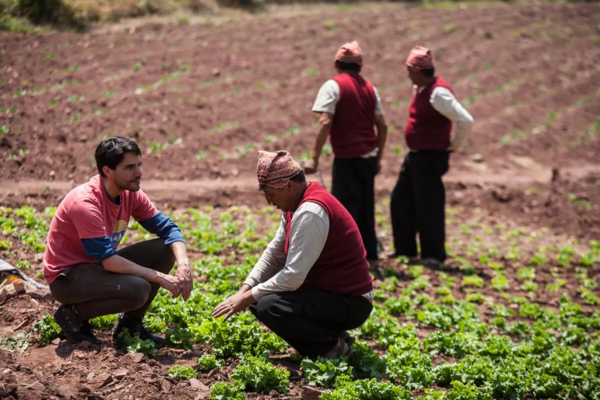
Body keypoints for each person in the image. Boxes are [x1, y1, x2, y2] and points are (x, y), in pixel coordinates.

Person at [212, 150, 374, 359]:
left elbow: (293, 276)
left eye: (270, 193)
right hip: (330, 294)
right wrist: (244, 291)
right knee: (256, 298)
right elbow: (274, 253)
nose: (269, 201)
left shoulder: (310, 212)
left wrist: (246, 297)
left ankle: (332, 349)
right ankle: (332, 336)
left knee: (270, 306)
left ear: (289, 186)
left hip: (351, 302)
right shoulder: (294, 206)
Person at [43, 137, 193, 345]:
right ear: (107, 171)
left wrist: (183, 264)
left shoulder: (131, 194)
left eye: (139, 165)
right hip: (68, 278)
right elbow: (109, 261)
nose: (139, 172)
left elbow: (169, 229)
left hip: (97, 267)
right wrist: (159, 277)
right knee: (139, 289)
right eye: (130, 167)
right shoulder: (85, 203)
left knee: (165, 249)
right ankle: (73, 314)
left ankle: (130, 326)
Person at [304, 40, 388, 265]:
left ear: (336, 64)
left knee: (343, 210)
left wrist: (314, 157)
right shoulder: (371, 88)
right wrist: (378, 157)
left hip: (347, 158)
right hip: (369, 157)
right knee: (366, 207)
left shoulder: (333, 86)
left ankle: (345, 259)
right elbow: (383, 125)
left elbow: (325, 121)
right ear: (360, 66)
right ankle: (369, 254)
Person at [390, 46, 474, 265]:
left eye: (409, 70)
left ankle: (433, 254)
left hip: (430, 157)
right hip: (416, 155)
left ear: (417, 70)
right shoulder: (421, 87)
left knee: (429, 205)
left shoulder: (438, 93)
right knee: (401, 200)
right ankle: (405, 249)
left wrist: (454, 146)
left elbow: (465, 120)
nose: (407, 74)